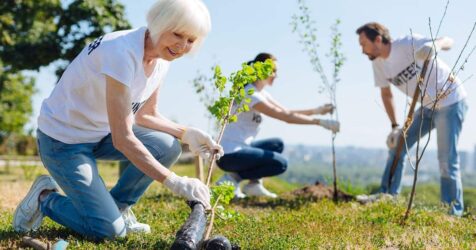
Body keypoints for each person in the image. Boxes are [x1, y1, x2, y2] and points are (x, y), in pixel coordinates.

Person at [13, 0, 223, 240]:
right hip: (62, 142)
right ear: (159, 23)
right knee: (108, 232)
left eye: (191, 40)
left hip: (100, 134)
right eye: (177, 34)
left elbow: (146, 114)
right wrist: (174, 182)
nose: (182, 46)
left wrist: (186, 133)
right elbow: (123, 139)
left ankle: (117, 209)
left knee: (167, 146)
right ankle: (45, 199)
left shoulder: (161, 59)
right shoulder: (120, 52)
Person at [355, 22, 468, 216]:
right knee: (399, 144)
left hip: (450, 100)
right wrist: (394, 126)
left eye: (363, 43)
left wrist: (435, 45)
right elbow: (386, 94)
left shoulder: (407, 44)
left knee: (446, 160)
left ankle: (452, 213)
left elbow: (448, 41)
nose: (362, 49)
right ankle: (387, 195)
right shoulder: (378, 63)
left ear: (378, 40)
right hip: (426, 106)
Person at [216, 53, 340, 199]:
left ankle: (253, 185)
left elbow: (286, 112)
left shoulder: (260, 93)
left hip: (242, 148)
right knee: (280, 164)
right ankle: (231, 179)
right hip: (228, 155)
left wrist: (317, 111)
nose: (276, 75)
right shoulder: (250, 94)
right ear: (261, 70)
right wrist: (320, 123)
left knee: (276, 144)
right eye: (273, 70)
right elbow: (286, 118)